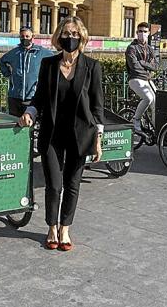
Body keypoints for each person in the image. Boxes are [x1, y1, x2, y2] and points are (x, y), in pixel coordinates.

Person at [18, 16, 104, 252]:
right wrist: (30, 113)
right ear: (58, 37)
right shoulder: (49, 65)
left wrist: (98, 140)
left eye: (75, 34)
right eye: (66, 34)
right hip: (52, 134)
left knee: (72, 183)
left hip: (81, 135)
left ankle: (65, 228)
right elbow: (40, 98)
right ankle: (51, 227)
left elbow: (97, 108)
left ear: (82, 37)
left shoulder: (92, 67)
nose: (70, 38)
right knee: (54, 185)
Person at [0, 27, 53, 116]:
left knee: (31, 125)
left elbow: (54, 61)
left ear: (33, 37)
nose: (25, 38)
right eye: (22, 36)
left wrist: (46, 76)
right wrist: (8, 74)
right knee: (15, 124)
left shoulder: (41, 52)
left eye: (27, 36)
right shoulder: (14, 52)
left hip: (32, 97)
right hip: (15, 97)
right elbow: (2, 61)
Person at [125, 22, 158, 132]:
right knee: (148, 98)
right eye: (140, 31)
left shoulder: (149, 49)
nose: (142, 33)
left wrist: (143, 63)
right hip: (135, 78)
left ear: (148, 33)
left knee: (156, 101)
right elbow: (134, 67)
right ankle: (136, 119)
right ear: (136, 33)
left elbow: (156, 66)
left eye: (144, 31)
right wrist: (147, 70)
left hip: (146, 79)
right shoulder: (131, 48)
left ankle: (155, 127)